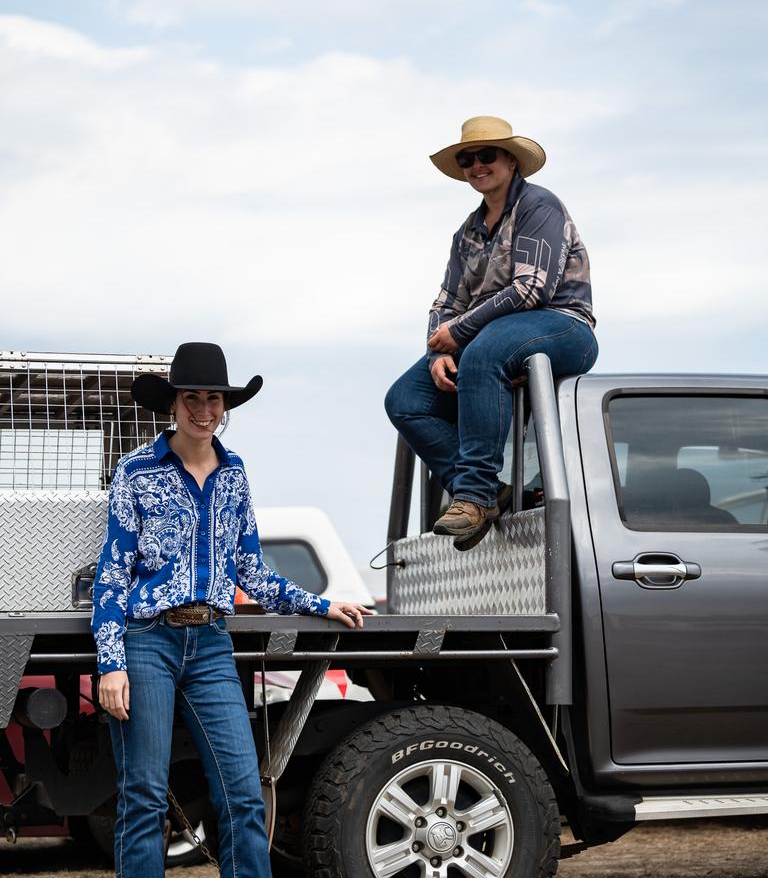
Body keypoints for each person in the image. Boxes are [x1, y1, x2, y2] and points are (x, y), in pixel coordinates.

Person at [91, 342, 371, 878]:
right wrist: (112, 662)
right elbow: (113, 573)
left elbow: (253, 572)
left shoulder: (235, 473)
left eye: (214, 398)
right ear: (173, 404)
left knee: (243, 795)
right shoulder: (136, 472)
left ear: (226, 406)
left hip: (212, 645)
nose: (203, 409)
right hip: (146, 639)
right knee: (144, 799)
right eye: (191, 397)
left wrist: (321, 603)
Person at [385, 116, 597, 551]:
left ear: (511, 161)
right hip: (490, 336)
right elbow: (445, 300)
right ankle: (490, 490)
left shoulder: (540, 206)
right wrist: (435, 355)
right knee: (405, 400)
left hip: (563, 325)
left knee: (484, 352)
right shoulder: (467, 232)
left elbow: (531, 289)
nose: (477, 164)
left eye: (487, 155)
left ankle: (475, 495)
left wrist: (459, 334)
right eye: (467, 158)